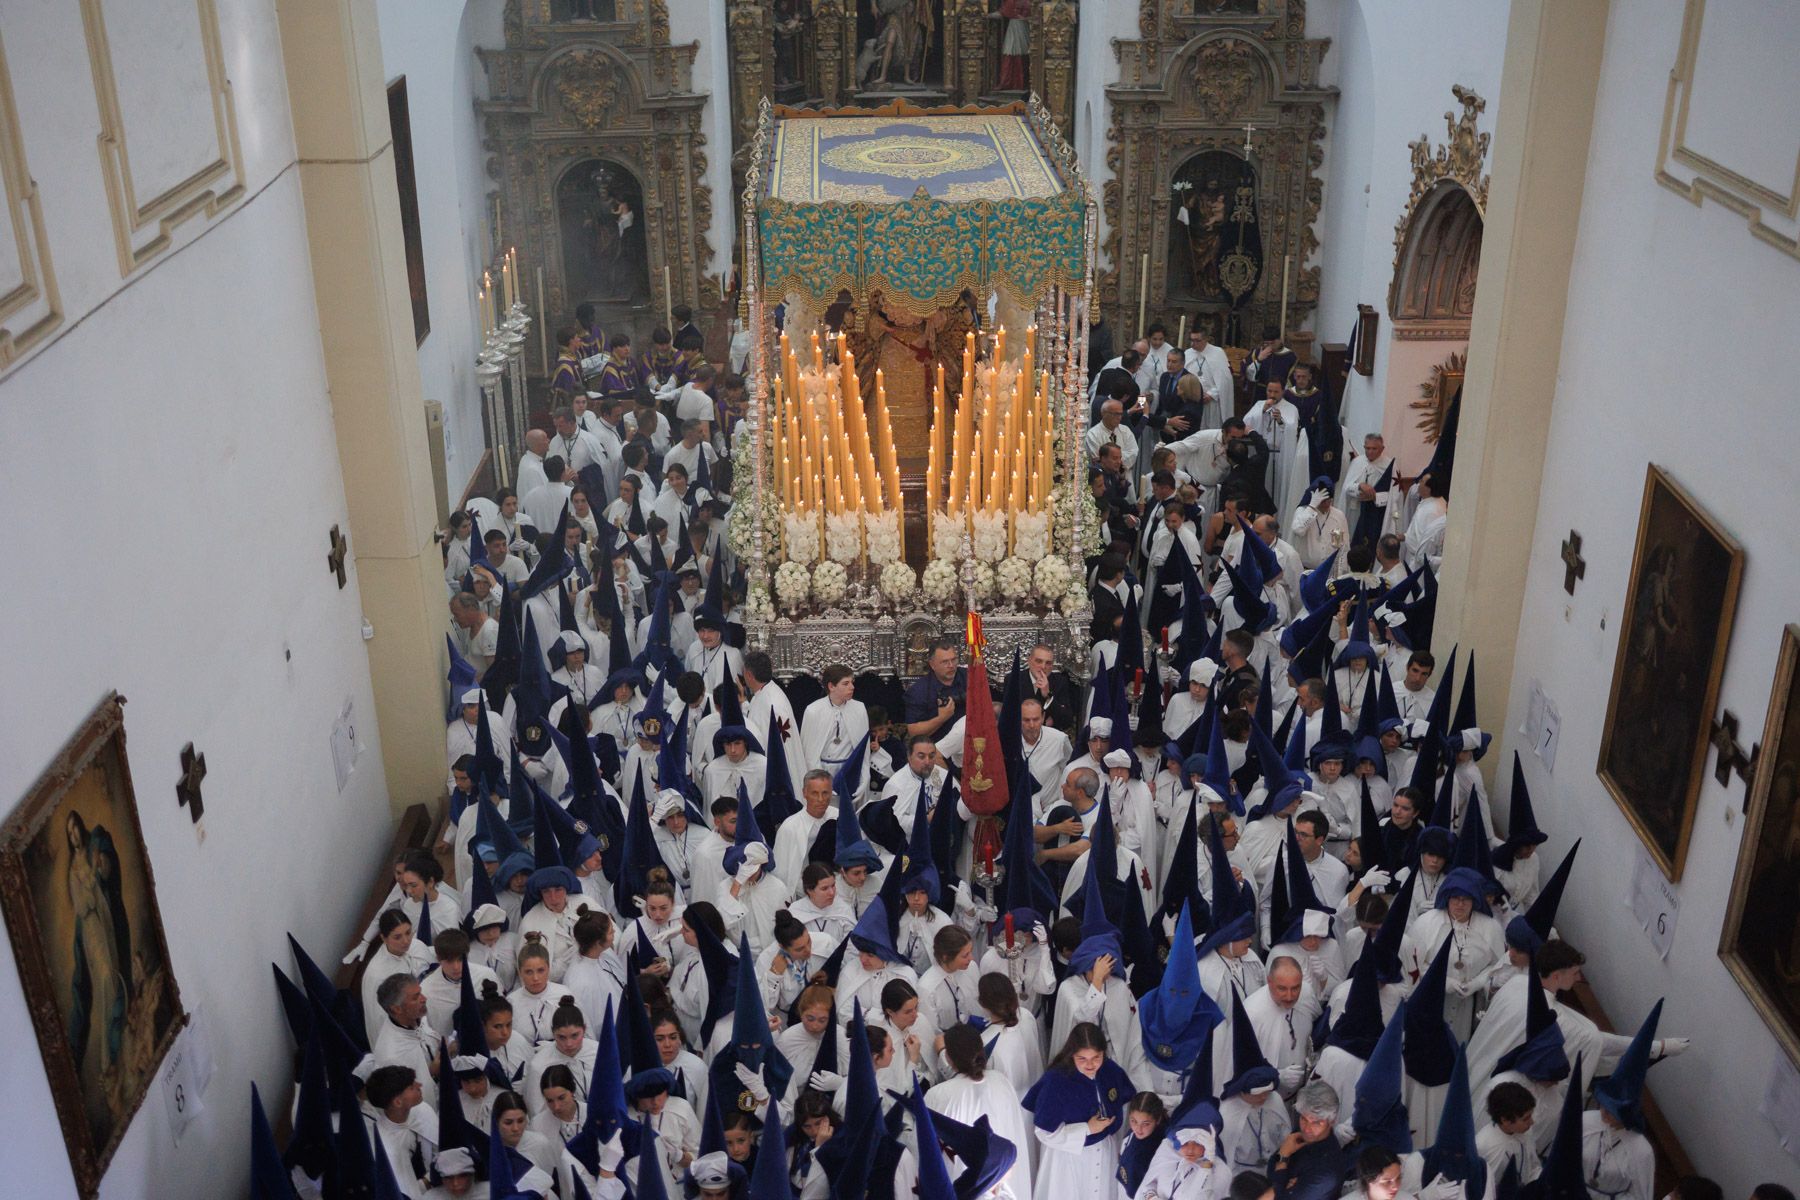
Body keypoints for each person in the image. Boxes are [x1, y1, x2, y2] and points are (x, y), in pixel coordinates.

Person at [1022, 1022, 1137, 1199]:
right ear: (1072, 1055)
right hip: (1068, 1159)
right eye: (1082, 1058)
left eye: (1096, 1057)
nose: (1090, 1065)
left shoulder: (1110, 1070)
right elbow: (1044, 1132)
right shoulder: (1057, 1080)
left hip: (1104, 1153)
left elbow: (1123, 1101)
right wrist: (1087, 1129)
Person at [929, 1024, 1035, 1199]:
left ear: (948, 1057)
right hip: (1005, 1174)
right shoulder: (1002, 1081)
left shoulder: (937, 1095)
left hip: (966, 1183)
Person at [364, 1065, 440, 1198]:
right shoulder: (383, 1145)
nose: (419, 1085)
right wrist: (426, 1182)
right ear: (398, 1102)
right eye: (411, 1087)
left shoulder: (422, 1110)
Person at [1268, 1082, 1351, 1200]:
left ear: (1331, 1121)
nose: (1306, 1128)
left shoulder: (1327, 1171)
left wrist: (1283, 1159)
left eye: (1316, 1122)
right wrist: (1283, 1184)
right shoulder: (1300, 1135)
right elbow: (1270, 1168)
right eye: (1303, 1118)